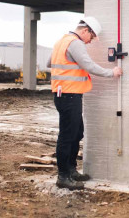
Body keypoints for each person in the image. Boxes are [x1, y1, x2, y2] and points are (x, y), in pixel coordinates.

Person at [48, 17, 122, 190]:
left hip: (65, 94)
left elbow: (49, 63)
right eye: (92, 37)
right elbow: (88, 65)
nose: (90, 42)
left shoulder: (62, 41)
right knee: (67, 136)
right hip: (69, 95)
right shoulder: (75, 43)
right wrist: (111, 73)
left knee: (76, 132)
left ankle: (71, 170)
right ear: (85, 30)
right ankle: (63, 176)